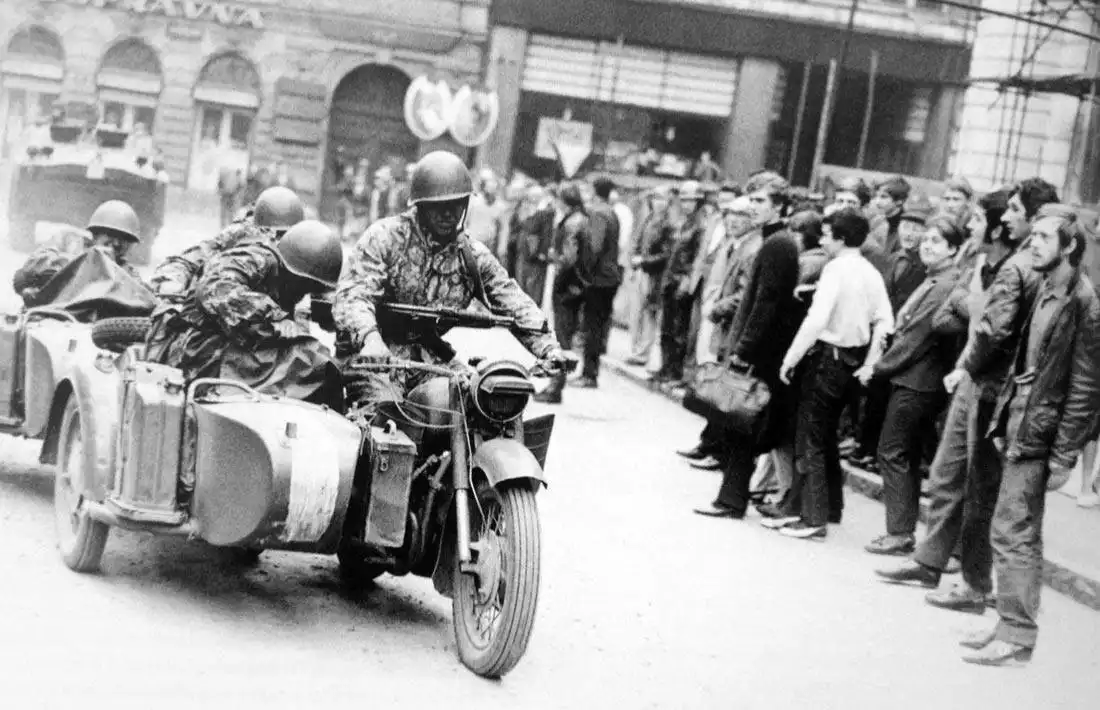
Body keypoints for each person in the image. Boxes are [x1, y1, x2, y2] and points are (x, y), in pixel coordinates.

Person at [875, 178, 1058, 611]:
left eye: (1014, 211)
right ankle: (931, 560)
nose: (1006, 218)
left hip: (993, 385)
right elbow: (956, 312)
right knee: (947, 473)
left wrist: (969, 361)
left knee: (983, 490)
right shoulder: (989, 263)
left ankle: (978, 586)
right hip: (974, 377)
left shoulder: (1023, 268)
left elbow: (994, 329)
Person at [963, 204, 1100, 666]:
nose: (1032, 243)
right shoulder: (1045, 288)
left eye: (1043, 237)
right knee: (1016, 530)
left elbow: (1085, 388)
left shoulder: (1083, 302)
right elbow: (1026, 364)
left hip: (1040, 435)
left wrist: (1064, 455)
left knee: (1012, 531)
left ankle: (1017, 633)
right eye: (1033, 235)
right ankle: (1011, 624)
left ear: (1070, 246)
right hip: (1020, 425)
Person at [333, 151, 567, 407]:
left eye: (456, 204)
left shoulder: (471, 256)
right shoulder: (384, 237)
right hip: (373, 358)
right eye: (439, 206)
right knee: (386, 413)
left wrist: (549, 348)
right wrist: (370, 338)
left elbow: (513, 301)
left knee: (482, 404)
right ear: (421, 205)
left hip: (429, 358)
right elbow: (353, 295)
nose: (448, 214)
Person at [763, 209, 893, 540]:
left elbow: (817, 319)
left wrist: (790, 358)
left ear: (841, 238)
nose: (822, 240)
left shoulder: (836, 269)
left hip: (826, 357)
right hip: (851, 361)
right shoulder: (869, 271)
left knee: (810, 438)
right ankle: (820, 507)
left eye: (826, 235)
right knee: (825, 436)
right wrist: (870, 362)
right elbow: (885, 321)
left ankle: (813, 518)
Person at [692, 172, 800, 520]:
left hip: (760, 352)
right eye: (751, 199)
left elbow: (766, 303)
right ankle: (733, 497)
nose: (753, 207)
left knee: (743, 422)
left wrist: (744, 350)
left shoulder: (777, 244)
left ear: (779, 206)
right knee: (743, 425)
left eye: (760, 201)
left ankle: (732, 500)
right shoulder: (774, 240)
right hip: (759, 348)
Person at [145, 220, 345, 409]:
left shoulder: (288, 279)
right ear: (296, 272)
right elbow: (213, 289)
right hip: (202, 348)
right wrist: (275, 317)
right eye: (308, 285)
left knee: (319, 364)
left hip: (235, 347)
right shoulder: (257, 259)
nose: (307, 291)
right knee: (309, 362)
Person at [863, 216, 964, 555]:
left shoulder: (944, 285)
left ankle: (900, 532)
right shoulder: (935, 279)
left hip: (918, 381)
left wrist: (877, 368)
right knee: (906, 454)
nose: (927, 246)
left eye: (937, 241)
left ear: (953, 249)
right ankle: (904, 531)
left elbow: (916, 337)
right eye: (926, 240)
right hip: (916, 379)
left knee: (892, 451)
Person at [150, 186, 305, 302]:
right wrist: (173, 281)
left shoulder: (300, 245)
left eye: (282, 234)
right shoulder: (242, 233)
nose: (275, 240)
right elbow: (189, 258)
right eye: (273, 234)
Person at [13, 200, 144, 306]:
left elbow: (142, 297)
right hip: (53, 307)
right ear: (96, 233)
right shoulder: (68, 240)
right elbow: (34, 264)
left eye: (124, 239)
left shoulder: (127, 272)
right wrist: (80, 264)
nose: (116, 243)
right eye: (111, 234)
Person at [655, 180, 707, 384]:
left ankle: (675, 370)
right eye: (684, 200)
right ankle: (665, 367)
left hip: (682, 282)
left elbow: (697, 258)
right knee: (667, 328)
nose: (686, 204)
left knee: (679, 329)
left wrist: (687, 279)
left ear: (698, 202)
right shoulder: (684, 223)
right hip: (671, 280)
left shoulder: (700, 226)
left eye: (690, 201)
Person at [625, 186, 674, 367]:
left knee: (648, 314)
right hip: (640, 272)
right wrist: (634, 261)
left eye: (662, 199)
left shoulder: (668, 225)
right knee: (635, 313)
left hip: (654, 275)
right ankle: (635, 348)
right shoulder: (648, 219)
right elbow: (637, 242)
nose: (658, 203)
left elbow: (666, 254)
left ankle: (643, 352)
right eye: (656, 198)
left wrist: (644, 260)